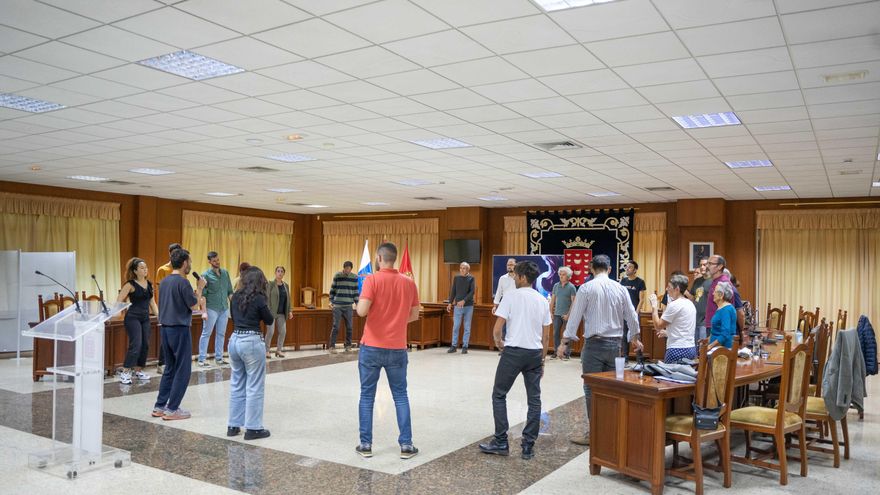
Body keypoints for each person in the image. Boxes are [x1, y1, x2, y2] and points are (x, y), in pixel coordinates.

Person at [558, 254, 643, 446]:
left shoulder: (586, 288)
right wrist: (635, 338)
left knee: (591, 388)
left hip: (594, 345)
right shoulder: (620, 288)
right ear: (610, 269)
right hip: (616, 345)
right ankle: (611, 429)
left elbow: (575, 317)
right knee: (612, 388)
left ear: (591, 268)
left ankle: (595, 432)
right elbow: (631, 315)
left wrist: (564, 342)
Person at [478, 261, 551, 460]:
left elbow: (497, 328)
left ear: (522, 277)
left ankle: (501, 442)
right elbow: (546, 337)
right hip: (535, 354)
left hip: (513, 353)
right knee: (534, 400)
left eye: (516, 275)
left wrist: (499, 343)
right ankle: (528, 445)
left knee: (499, 395)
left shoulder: (510, 297)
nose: (514, 278)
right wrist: (542, 361)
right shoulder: (542, 300)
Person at [354, 242, 420, 460]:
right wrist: (397, 319)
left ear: (379, 258)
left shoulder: (371, 280)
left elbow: (362, 312)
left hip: (371, 347)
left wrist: (360, 306)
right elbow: (414, 315)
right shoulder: (409, 282)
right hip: (397, 348)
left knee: (367, 396)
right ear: (394, 258)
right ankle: (407, 445)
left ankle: (365, 444)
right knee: (401, 396)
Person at [153, 248, 205, 420]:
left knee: (170, 368)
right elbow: (193, 305)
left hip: (165, 328)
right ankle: (172, 409)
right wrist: (199, 288)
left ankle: (160, 406)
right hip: (179, 329)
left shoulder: (166, 281)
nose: (190, 265)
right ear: (184, 263)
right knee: (183, 369)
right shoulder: (183, 283)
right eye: (189, 262)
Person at [227, 266, 275, 440]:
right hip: (252, 342)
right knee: (254, 385)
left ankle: (233, 426)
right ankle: (253, 428)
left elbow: (233, 316)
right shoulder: (259, 298)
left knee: (237, 383)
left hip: (234, 341)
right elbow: (269, 319)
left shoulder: (235, 296)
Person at [117, 257, 159, 384]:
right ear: (135, 270)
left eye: (146, 267)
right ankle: (125, 372)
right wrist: (121, 311)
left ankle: (138, 370)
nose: (145, 269)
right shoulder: (130, 284)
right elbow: (119, 301)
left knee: (145, 344)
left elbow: (152, 302)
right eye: (142, 268)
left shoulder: (149, 284)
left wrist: (159, 316)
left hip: (145, 318)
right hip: (132, 318)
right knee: (136, 344)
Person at [649, 273, 696, 363]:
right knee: (685, 376)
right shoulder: (690, 303)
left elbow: (658, 326)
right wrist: (668, 333)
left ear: (677, 289)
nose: (667, 289)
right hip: (690, 348)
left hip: (677, 349)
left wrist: (654, 306)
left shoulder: (674, 305)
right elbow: (683, 329)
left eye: (669, 287)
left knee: (669, 376)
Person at [198, 251, 233, 367]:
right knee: (206, 333)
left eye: (218, 260)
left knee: (221, 334)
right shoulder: (205, 275)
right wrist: (204, 312)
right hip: (211, 308)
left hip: (224, 308)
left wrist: (235, 305)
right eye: (214, 261)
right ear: (209, 262)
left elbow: (229, 291)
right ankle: (201, 359)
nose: (217, 262)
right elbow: (203, 295)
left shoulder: (225, 273)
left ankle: (219, 358)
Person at [154, 242, 182, 375]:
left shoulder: (182, 269)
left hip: (179, 307)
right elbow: (160, 290)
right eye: (174, 253)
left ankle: (173, 363)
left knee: (177, 336)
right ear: (169, 254)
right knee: (167, 336)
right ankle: (161, 363)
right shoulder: (163, 269)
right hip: (167, 306)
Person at [704, 255, 744, 341]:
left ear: (720, 266)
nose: (707, 266)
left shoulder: (723, 283)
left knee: (718, 354)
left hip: (719, 329)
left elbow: (727, 310)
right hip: (714, 327)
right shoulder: (715, 281)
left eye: (710, 263)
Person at [329, 261, 359, 353]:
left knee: (349, 327)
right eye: (346, 269)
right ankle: (332, 346)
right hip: (337, 305)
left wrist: (357, 303)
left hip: (348, 306)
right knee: (336, 326)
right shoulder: (337, 276)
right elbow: (332, 289)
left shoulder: (354, 278)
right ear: (344, 268)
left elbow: (355, 292)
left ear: (351, 269)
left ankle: (348, 345)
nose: (347, 270)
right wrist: (331, 301)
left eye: (349, 269)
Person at [447, 261, 475, 354]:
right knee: (456, 326)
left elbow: (472, 292)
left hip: (468, 306)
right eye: (461, 268)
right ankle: (454, 346)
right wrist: (450, 303)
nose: (462, 269)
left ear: (468, 269)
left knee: (467, 327)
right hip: (458, 306)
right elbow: (453, 291)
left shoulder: (471, 278)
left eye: (464, 268)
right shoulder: (456, 278)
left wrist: (464, 300)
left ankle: (465, 346)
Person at [548, 266, 576, 361]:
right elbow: (552, 300)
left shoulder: (572, 287)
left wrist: (568, 315)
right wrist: (550, 312)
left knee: (567, 334)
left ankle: (566, 353)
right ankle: (556, 352)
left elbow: (574, 302)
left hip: (567, 315)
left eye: (563, 274)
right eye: (560, 274)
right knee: (555, 333)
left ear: (568, 276)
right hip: (556, 314)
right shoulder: (556, 286)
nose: (561, 276)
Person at [619, 260, 646, 355]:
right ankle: (625, 359)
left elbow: (641, 299)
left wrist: (636, 313)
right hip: (623, 313)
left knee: (635, 336)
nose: (627, 268)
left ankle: (639, 360)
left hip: (634, 313)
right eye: (627, 266)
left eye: (630, 267)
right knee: (624, 335)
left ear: (635, 270)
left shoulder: (640, 282)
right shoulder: (623, 281)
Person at [265, 266, 293, 358]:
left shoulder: (286, 285)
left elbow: (288, 299)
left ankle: (279, 350)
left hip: (281, 313)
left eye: (282, 271)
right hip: (272, 313)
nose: (280, 273)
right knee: (270, 332)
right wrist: (268, 310)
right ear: (275, 273)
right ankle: (267, 351)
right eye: (278, 271)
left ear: (284, 274)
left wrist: (290, 311)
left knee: (283, 331)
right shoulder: (271, 284)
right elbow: (267, 298)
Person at [492, 257, 517, 351]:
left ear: (516, 266)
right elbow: (498, 293)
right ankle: (505, 349)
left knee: (514, 328)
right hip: (505, 306)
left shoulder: (519, 277)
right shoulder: (502, 278)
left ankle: (513, 348)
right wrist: (495, 306)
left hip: (517, 306)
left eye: (511, 264)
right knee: (504, 328)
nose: (509, 266)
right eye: (508, 265)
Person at [685, 257, 710, 345]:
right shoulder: (697, 281)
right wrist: (683, 290)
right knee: (695, 347)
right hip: (695, 319)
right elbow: (692, 298)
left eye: (704, 264)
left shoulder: (713, 281)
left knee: (702, 348)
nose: (702, 267)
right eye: (701, 265)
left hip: (706, 321)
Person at [709, 281, 737, 348]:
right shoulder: (721, 308)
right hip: (717, 348)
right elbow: (715, 330)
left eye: (715, 292)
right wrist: (707, 340)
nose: (713, 294)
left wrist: (710, 346)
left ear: (721, 295)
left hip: (723, 350)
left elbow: (725, 334)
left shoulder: (726, 310)